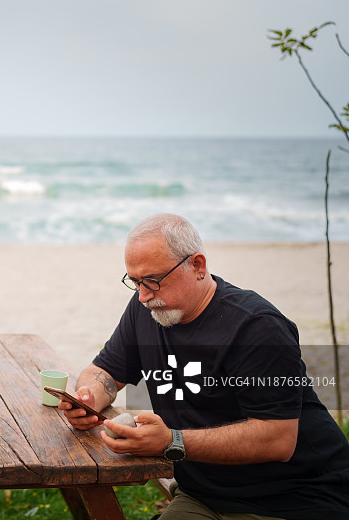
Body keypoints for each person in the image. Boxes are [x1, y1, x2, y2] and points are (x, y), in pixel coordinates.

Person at [60, 213, 349, 519]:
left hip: (298, 498)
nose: (144, 295)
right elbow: (105, 371)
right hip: (203, 495)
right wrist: (88, 396)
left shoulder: (257, 327)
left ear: (197, 265)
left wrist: (173, 441)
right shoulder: (147, 308)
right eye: (135, 282)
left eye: (154, 280)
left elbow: (278, 439)